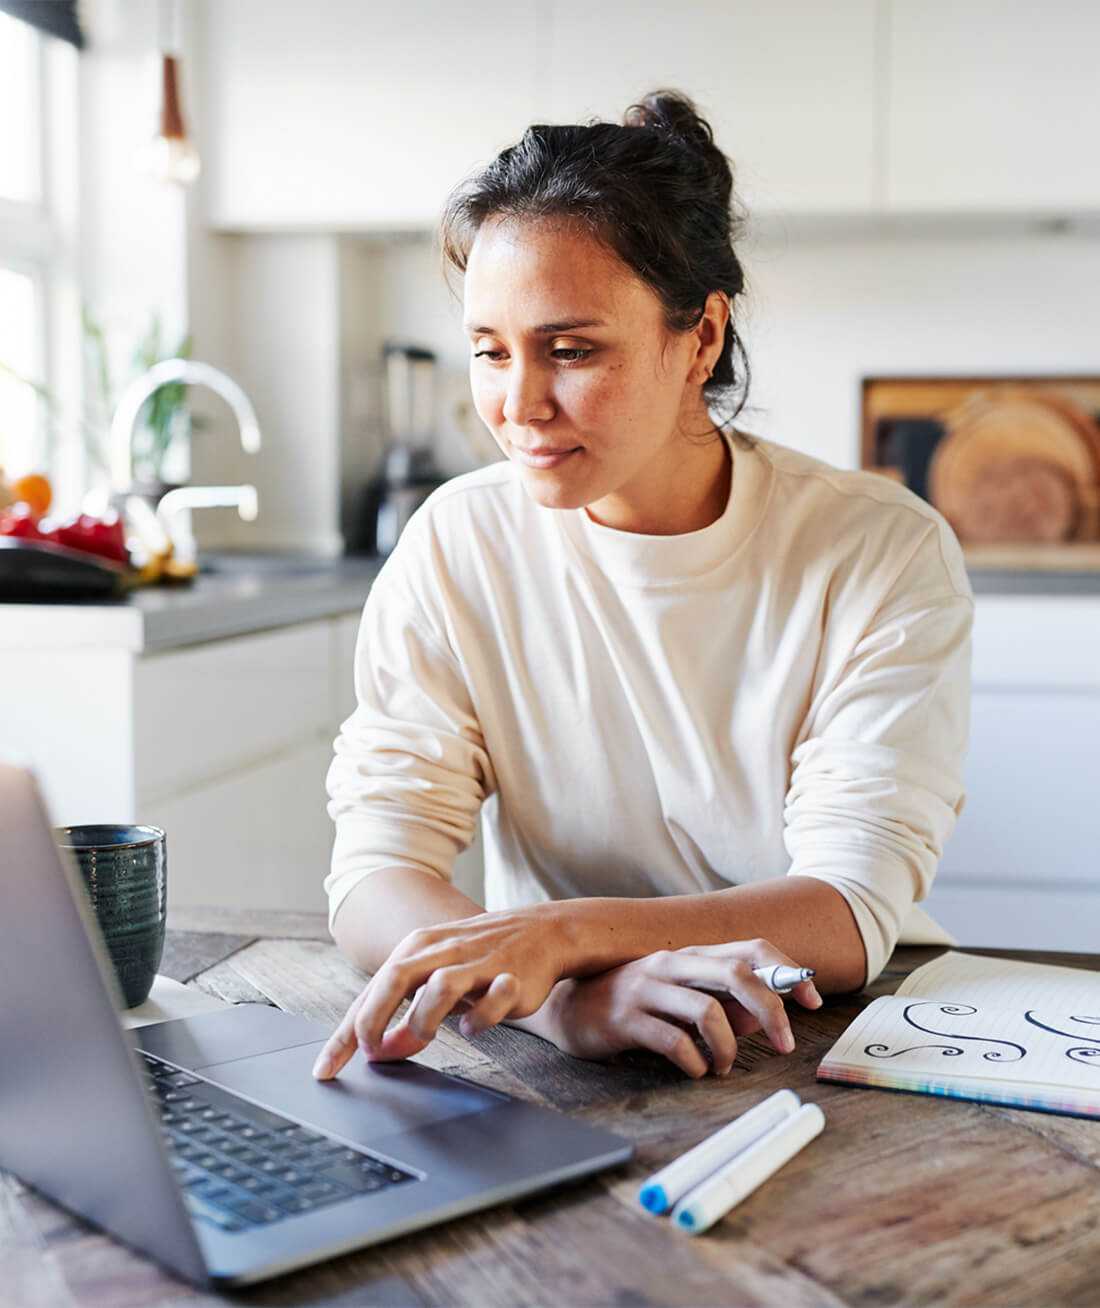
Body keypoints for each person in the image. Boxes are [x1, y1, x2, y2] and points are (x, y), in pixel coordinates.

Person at [311, 90, 972, 1085]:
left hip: (831, 1038)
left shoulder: (874, 549)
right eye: (490, 351)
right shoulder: (457, 541)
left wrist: (562, 942)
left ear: (699, 338)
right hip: (561, 1058)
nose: (519, 405)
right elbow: (376, 874)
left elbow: (844, 907)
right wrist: (570, 1001)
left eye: (570, 350)